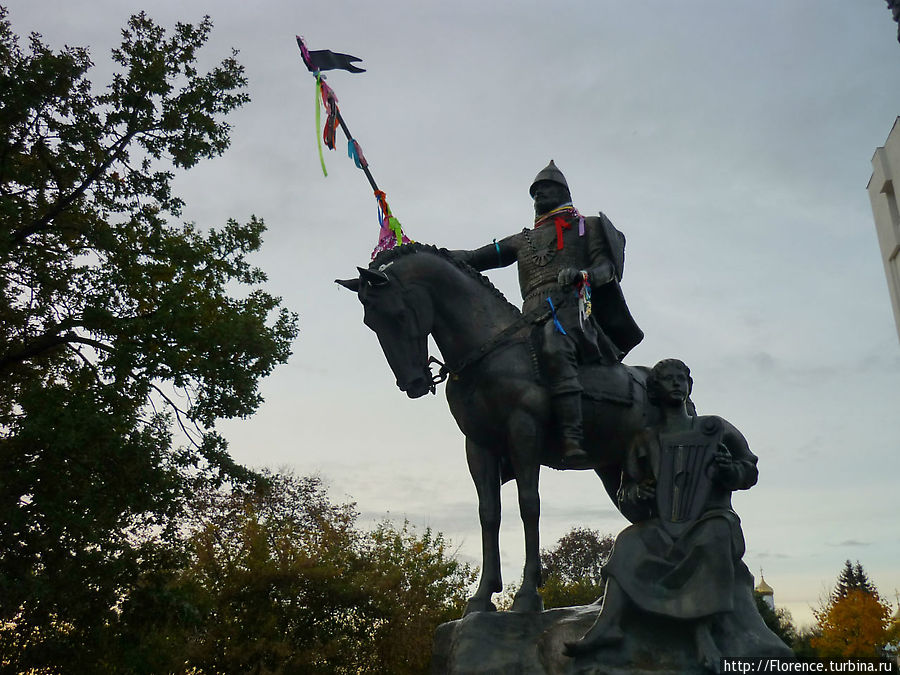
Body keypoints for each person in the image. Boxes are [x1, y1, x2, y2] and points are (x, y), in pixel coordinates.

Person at [563, 359, 758, 671]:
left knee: (714, 536)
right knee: (628, 542)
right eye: (668, 379)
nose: (677, 383)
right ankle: (606, 625)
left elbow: (749, 468)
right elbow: (626, 495)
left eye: (682, 378)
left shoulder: (715, 428)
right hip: (663, 526)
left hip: (711, 518)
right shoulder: (643, 441)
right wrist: (637, 496)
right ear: (653, 391)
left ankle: (702, 632)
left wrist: (729, 470)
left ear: (690, 386)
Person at [453, 161, 642, 462]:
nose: (539, 194)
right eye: (535, 191)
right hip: (527, 318)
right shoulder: (521, 240)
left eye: (546, 188)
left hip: (570, 311)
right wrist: (431, 254)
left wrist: (584, 275)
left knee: (555, 344)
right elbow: (475, 258)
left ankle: (572, 436)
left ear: (564, 191)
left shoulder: (587, 226)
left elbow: (606, 269)